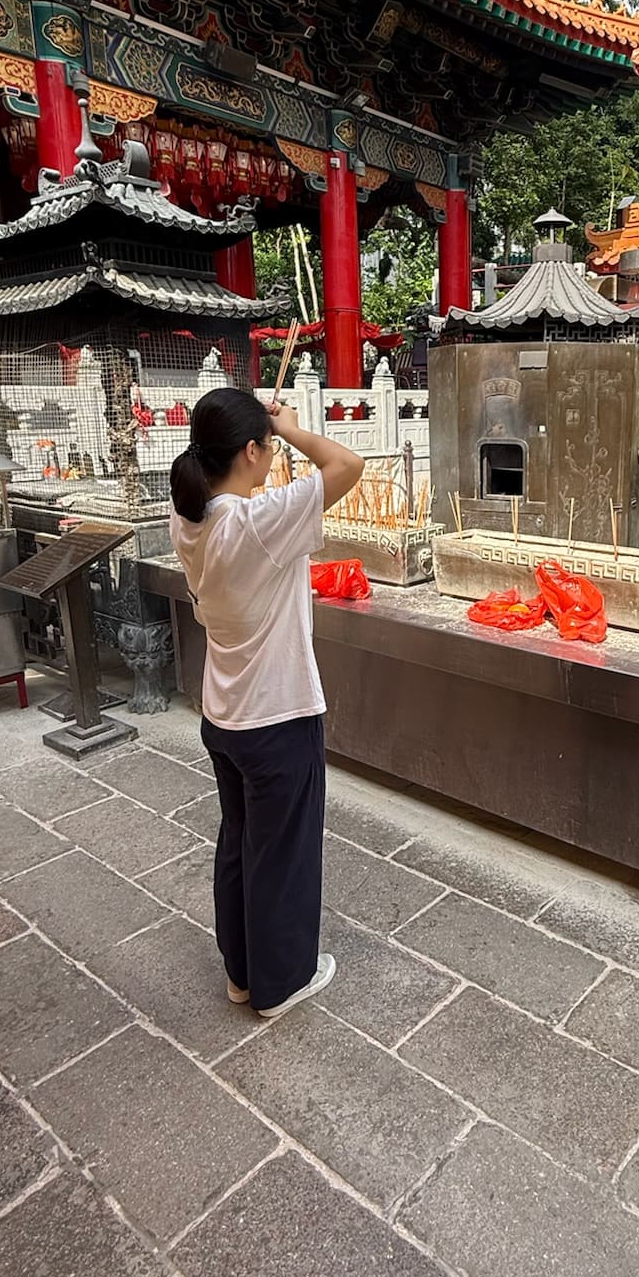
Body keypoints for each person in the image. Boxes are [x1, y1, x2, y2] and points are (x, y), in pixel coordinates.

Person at [169, 386, 364, 1018]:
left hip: (224, 715)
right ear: (251, 451)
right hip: (277, 715)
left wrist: (269, 430)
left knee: (241, 843)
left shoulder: (190, 518)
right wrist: (297, 430)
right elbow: (347, 467)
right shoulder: (257, 524)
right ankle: (281, 984)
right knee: (283, 855)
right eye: (267, 448)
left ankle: (243, 973)